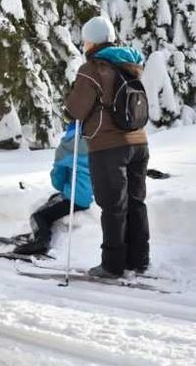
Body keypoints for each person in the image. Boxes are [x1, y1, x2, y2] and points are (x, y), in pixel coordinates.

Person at [64, 16, 150, 278]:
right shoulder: (128, 64)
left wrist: (67, 105)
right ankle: (139, 259)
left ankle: (112, 265)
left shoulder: (92, 69)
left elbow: (77, 110)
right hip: (139, 142)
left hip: (108, 145)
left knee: (113, 206)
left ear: (91, 41)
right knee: (136, 202)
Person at [13, 121, 93, 255]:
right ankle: (40, 232)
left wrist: (66, 184)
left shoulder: (66, 147)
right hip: (97, 195)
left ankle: (41, 241)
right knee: (53, 199)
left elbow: (57, 182)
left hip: (77, 198)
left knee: (38, 215)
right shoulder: (97, 143)